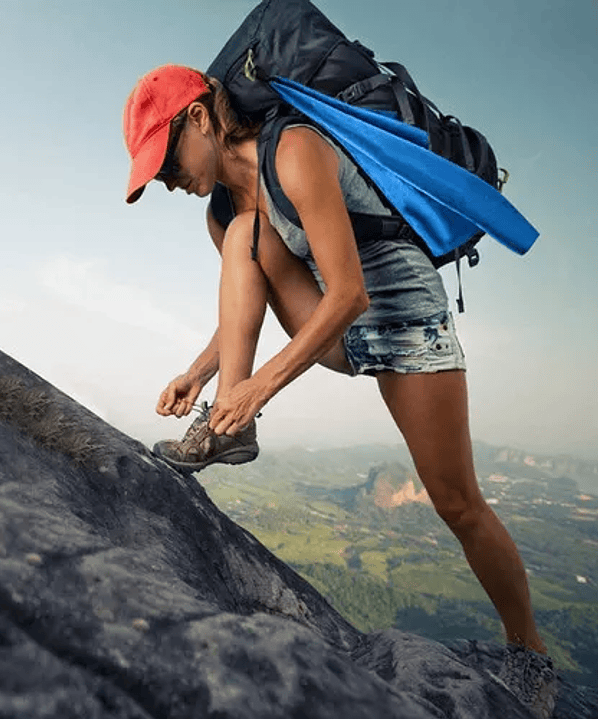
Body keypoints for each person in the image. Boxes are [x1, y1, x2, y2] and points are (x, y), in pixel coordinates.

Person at [123, 64, 557, 717]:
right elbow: (245, 305)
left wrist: (262, 384)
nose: (165, 180)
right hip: (331, 326)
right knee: (244, 234)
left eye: (163, 161)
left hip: (403, 324)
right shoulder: (224, 211)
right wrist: (202, 373)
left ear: (198, 118)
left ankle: (530, 652)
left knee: (456, 502)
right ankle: (228, 429)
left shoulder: (293, 149)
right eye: (153, 176)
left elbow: (352, 292)